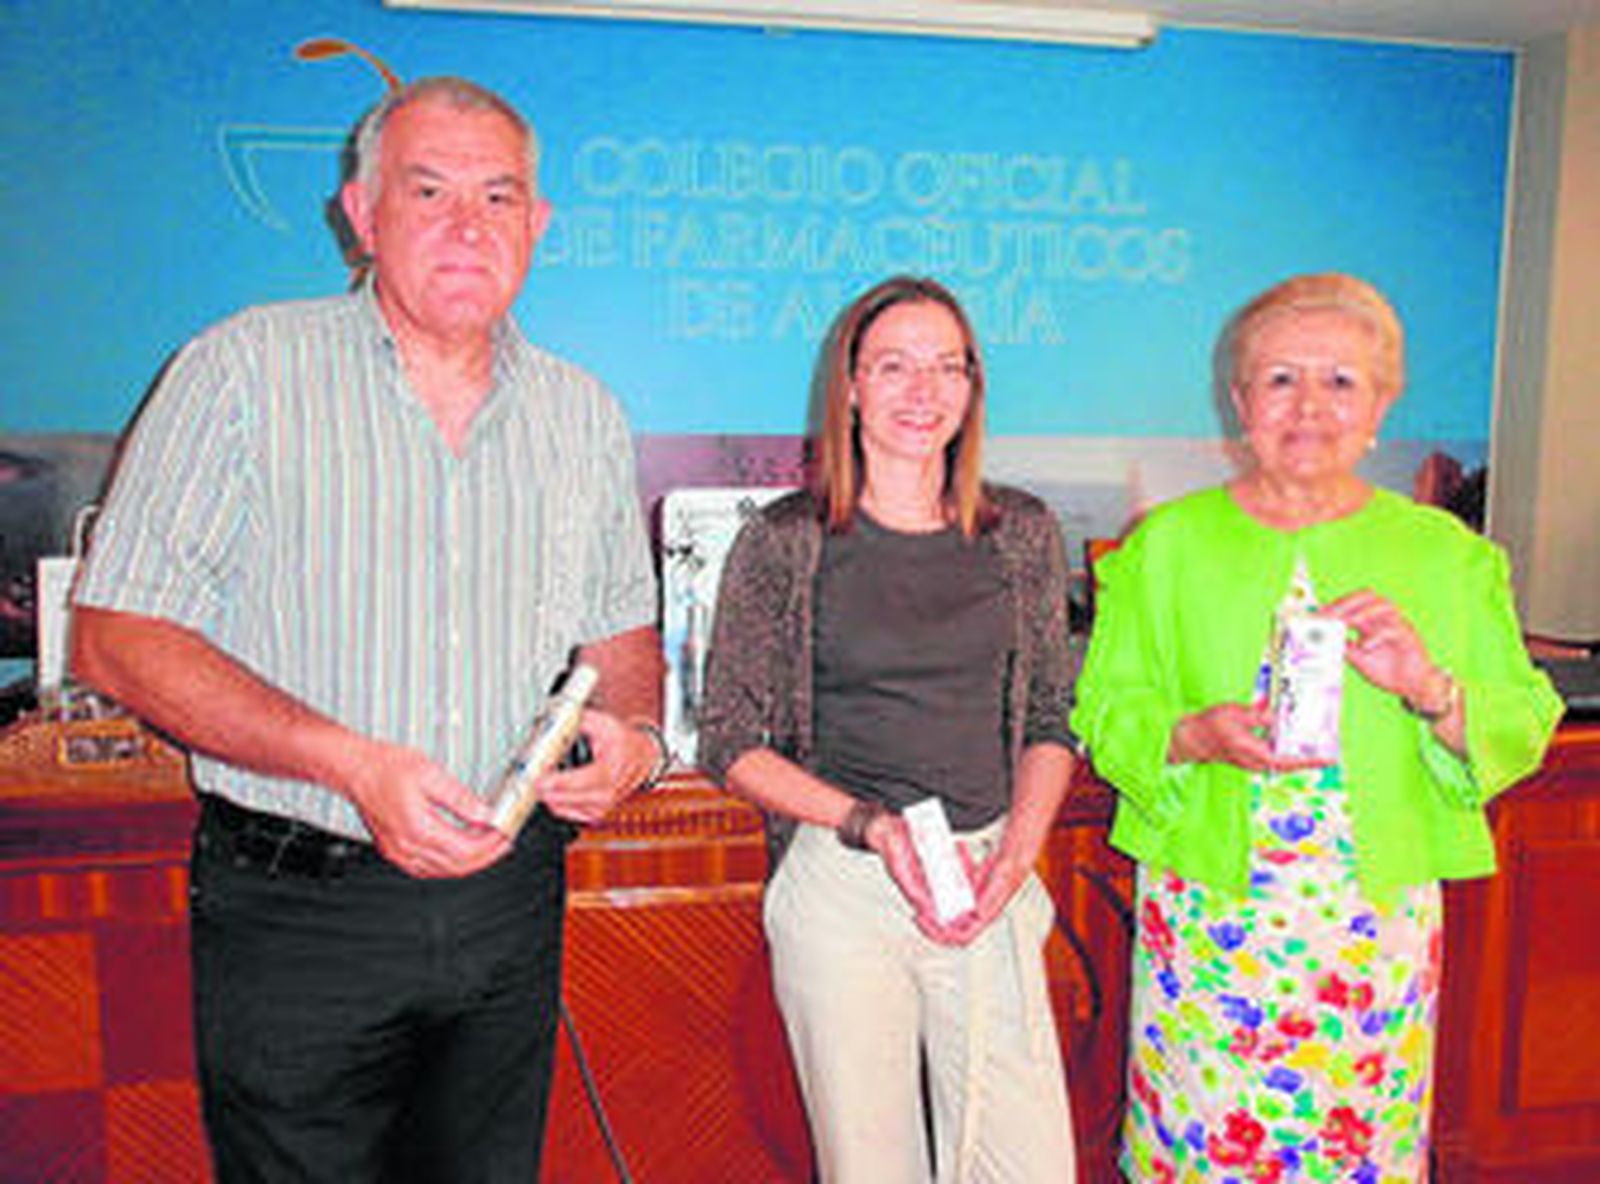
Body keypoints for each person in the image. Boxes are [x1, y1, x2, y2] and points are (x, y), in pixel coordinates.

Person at [70, 77, 668, 1182]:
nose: (465, 224)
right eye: (427, 188)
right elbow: (117, 634)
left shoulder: (581, 413)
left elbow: (622, 642)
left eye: (498, 197)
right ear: (361, 211)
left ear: (537, 225)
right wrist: (348, 762)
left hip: (507, 907)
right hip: (302, 911)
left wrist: (630, 736)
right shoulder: (243, 370)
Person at [1071, 272, 1563, 1182]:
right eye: (1281, 378)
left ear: (1382, 404)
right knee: (1201, 1144)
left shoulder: (1447, 557)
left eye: (1341, 380)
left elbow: (1526, 720)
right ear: (1240, 402)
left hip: (1369, 926)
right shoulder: (1167, 547)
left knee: (1355, 1152)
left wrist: (1431, 688)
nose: (1309, 405)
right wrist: (1192, 737)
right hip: (1211, 919)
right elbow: (1107, 710)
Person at [698, 275, 1079, 1183]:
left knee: (1027, 1165)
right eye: (895, 366)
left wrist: (1020, 850)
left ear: (973, 388)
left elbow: (1049, 719)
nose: (923, 390)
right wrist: (872, 824)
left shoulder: (1021, 532)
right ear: (852, 386)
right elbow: (730, 739)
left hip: (987, 874)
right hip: (846, 885)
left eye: (948, 367)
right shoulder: (786, 540)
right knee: (870, 1167)